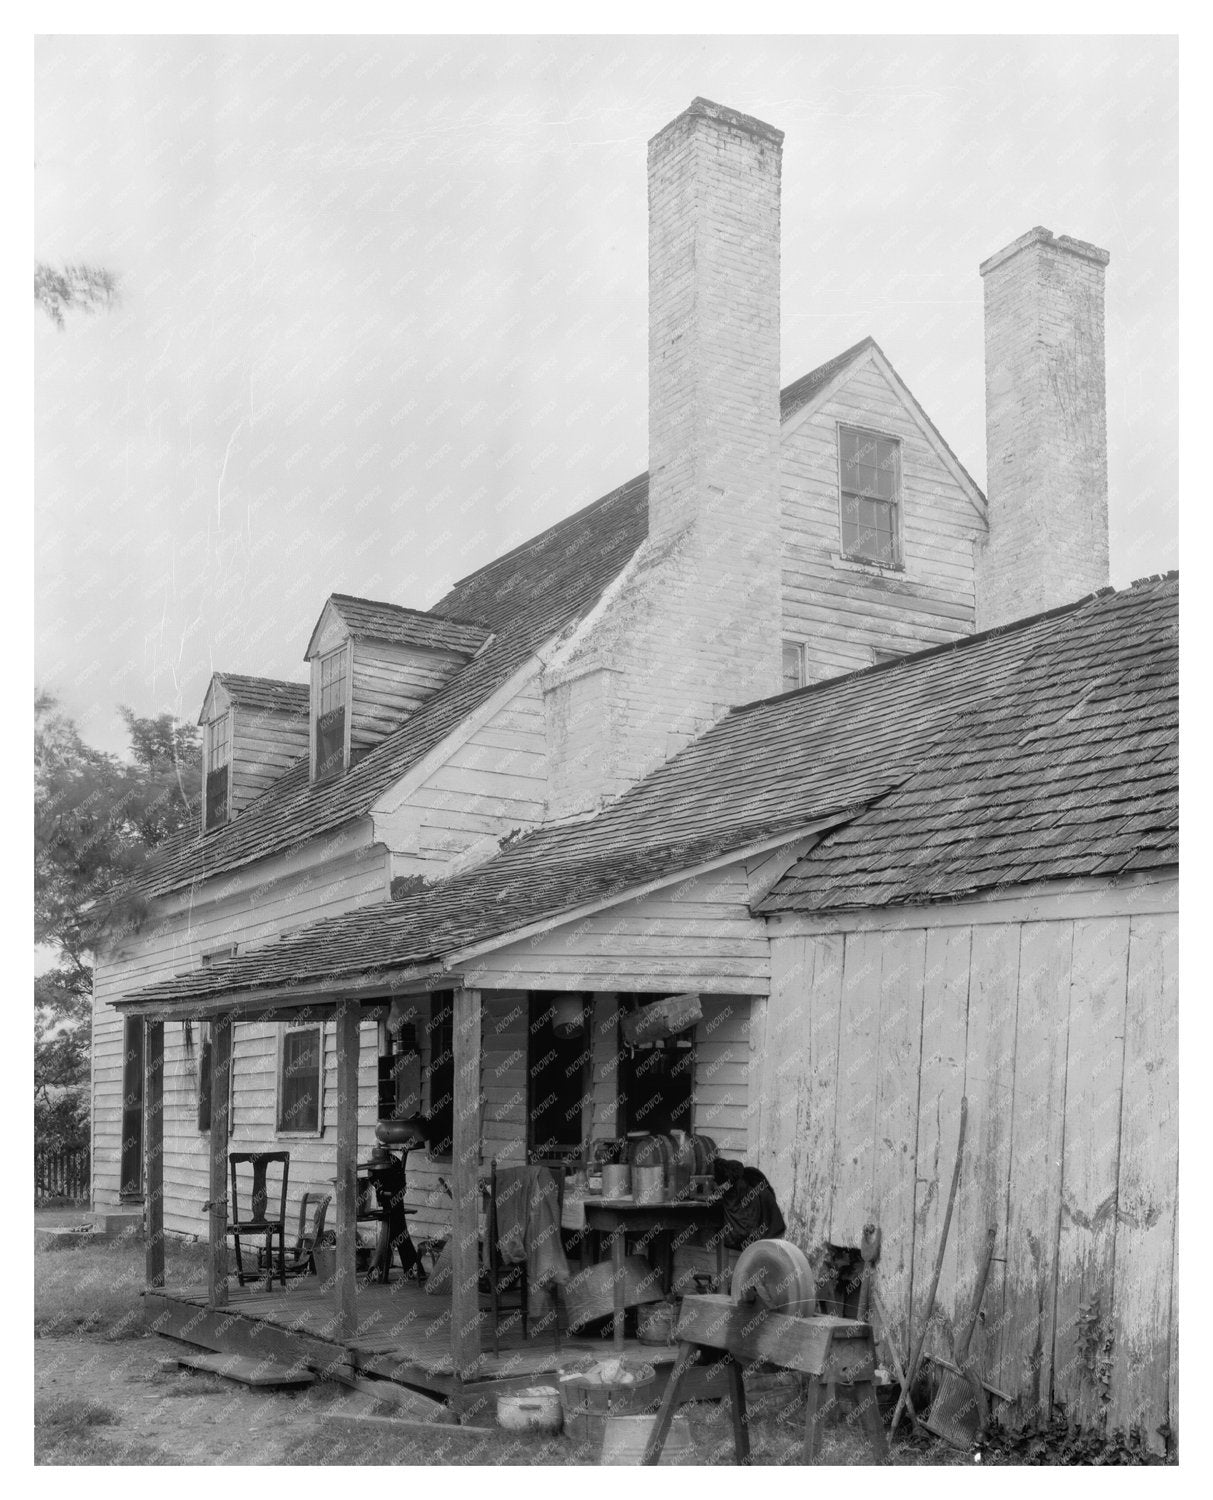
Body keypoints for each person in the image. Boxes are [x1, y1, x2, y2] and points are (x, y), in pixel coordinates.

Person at [712, 1156, 787, 1250]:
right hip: (770, 1231)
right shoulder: (740, 1181)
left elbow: (745, 1227)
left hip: (769, 1232)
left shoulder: (743, 1192)